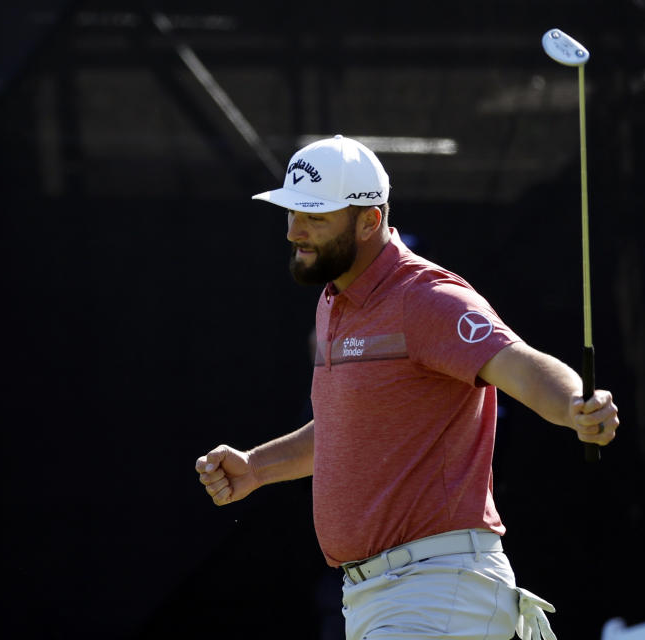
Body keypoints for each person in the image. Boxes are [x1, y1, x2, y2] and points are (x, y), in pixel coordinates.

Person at [196, 135, 620, 640]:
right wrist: (256, 467)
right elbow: (348, 427)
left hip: (437, 589)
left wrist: (575, 405)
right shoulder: (333, 301)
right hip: (383, 597)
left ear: (370, 219)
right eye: (291, 213)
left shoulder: (427, 298)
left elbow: (520, 365)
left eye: (316, 217)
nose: (295, 231)